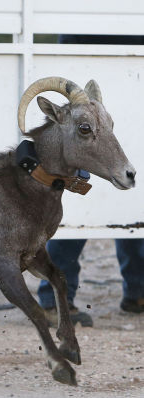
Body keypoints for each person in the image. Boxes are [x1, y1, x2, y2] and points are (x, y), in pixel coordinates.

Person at [38, 34, 144, 326]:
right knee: (82, 212)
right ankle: (55, 298)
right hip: (91, 63)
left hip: (126, 69)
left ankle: (138, 291)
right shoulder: (87, 17)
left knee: (133, 207)